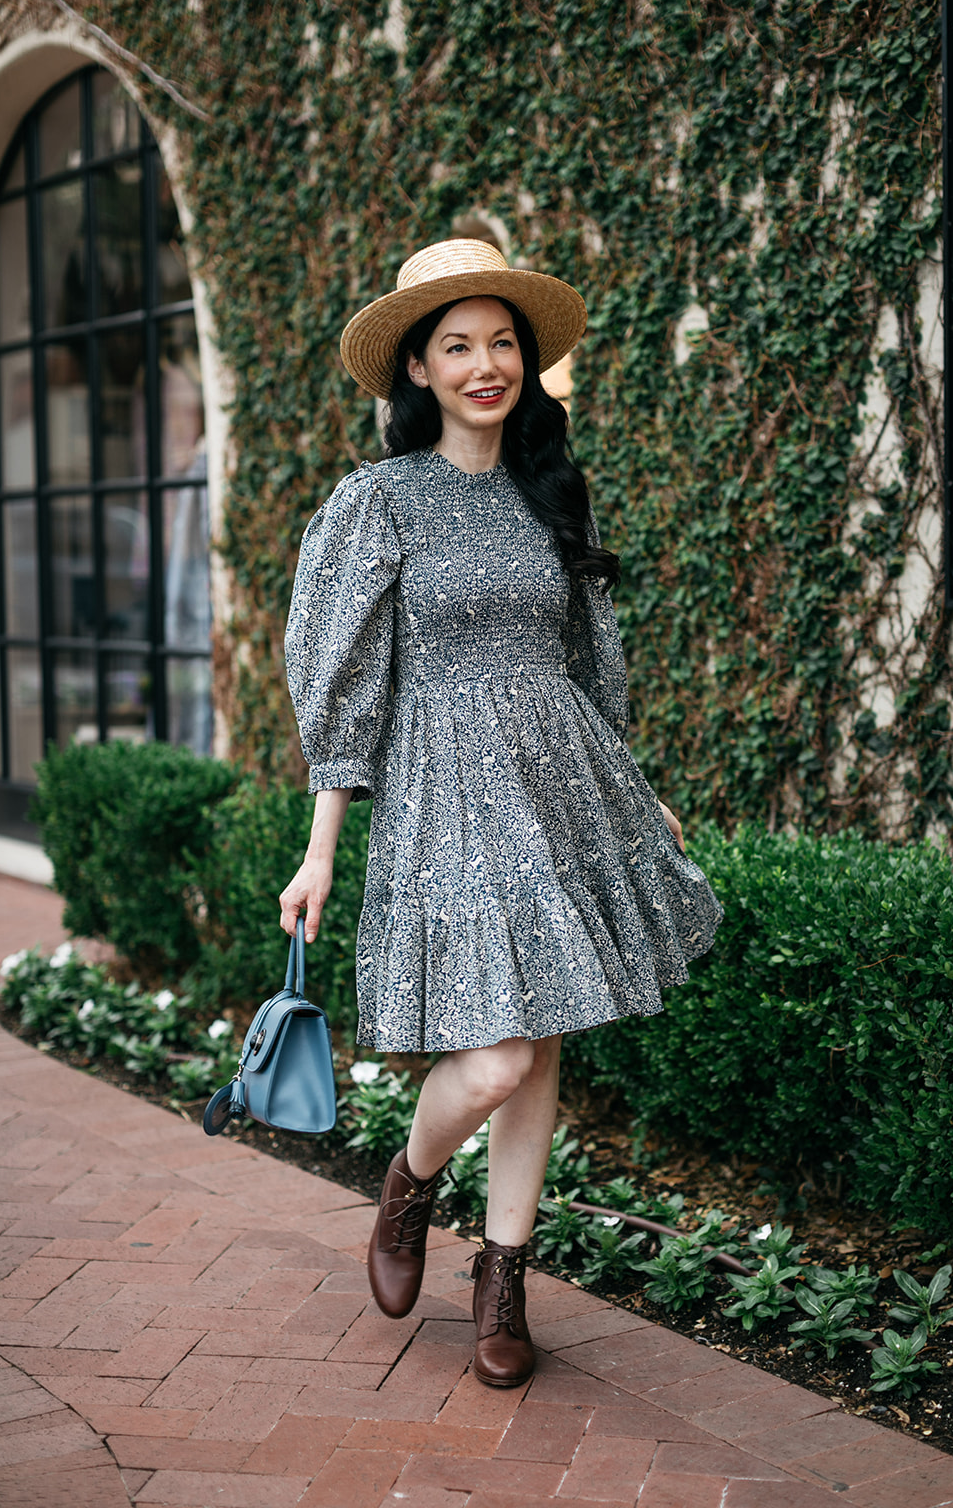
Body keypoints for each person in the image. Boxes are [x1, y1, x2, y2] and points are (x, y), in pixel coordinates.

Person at [279, 238, 723, 1388]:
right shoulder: (380, 499)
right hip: (443, 795)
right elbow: (343, 678)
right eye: (458, 345)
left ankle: (503, 1273)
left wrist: (636, 792)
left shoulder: (546, 494)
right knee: (492, 1059)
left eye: (502, 343)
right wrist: (320, 846)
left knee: (541, 1049)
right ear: (416, 369)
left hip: (558, 788)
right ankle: (409, 1183)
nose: (486, 364)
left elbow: (585, 665)